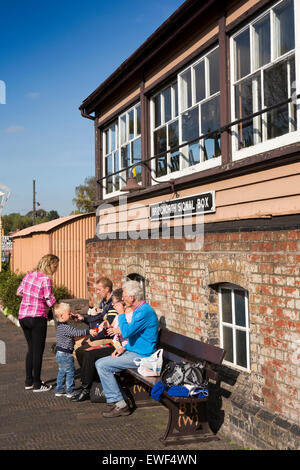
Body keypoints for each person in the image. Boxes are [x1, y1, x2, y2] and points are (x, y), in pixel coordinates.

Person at [95, 280, 159, 418]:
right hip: (133, 351)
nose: (122, 299)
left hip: (143, 356)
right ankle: (118, 400)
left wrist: (121, 313)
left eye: (124, 296)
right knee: (101, 363)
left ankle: (120, 404)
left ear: (132, 297)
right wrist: (124, 348)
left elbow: (126, 332)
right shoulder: (140, 310)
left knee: (102, 365)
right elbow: (135, 337)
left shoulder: (144, 312)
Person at [71, 278, 119, 402]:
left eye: (99, 289)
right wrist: (84, 319)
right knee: (75, 347)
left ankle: (88, 382)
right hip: (99, 334)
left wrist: (90, 338)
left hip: (109, 339)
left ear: (107, 289)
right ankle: (89, 376)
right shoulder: (104, 302)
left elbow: (107, 330)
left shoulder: (113, 304)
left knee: (84, 350)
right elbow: (99, 321)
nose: (97, 292)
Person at [17, 254, 59, 392]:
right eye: (55, 266)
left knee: (31, 349)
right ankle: (37, 384)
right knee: (38, 351)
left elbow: (19, 292)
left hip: (23, 316)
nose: (56, 269)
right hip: (37, 317)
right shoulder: (45, 279)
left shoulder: (29, 275)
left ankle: (28, 381)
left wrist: (31, 297)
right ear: (48, 265)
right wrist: (60, 306)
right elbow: (49, 299)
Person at [54, 302, 93, 398]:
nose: (70, 314)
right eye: (69, 313)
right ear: (62, 316)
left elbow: (70, 327)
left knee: (62, 372)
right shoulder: (65, 328)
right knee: (70, 373)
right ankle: (69, 391)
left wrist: (71, 316)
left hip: (60, 353)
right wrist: (89, 331)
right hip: (66, 354)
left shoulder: (60, 325)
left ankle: (59, 390)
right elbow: (76, 332)